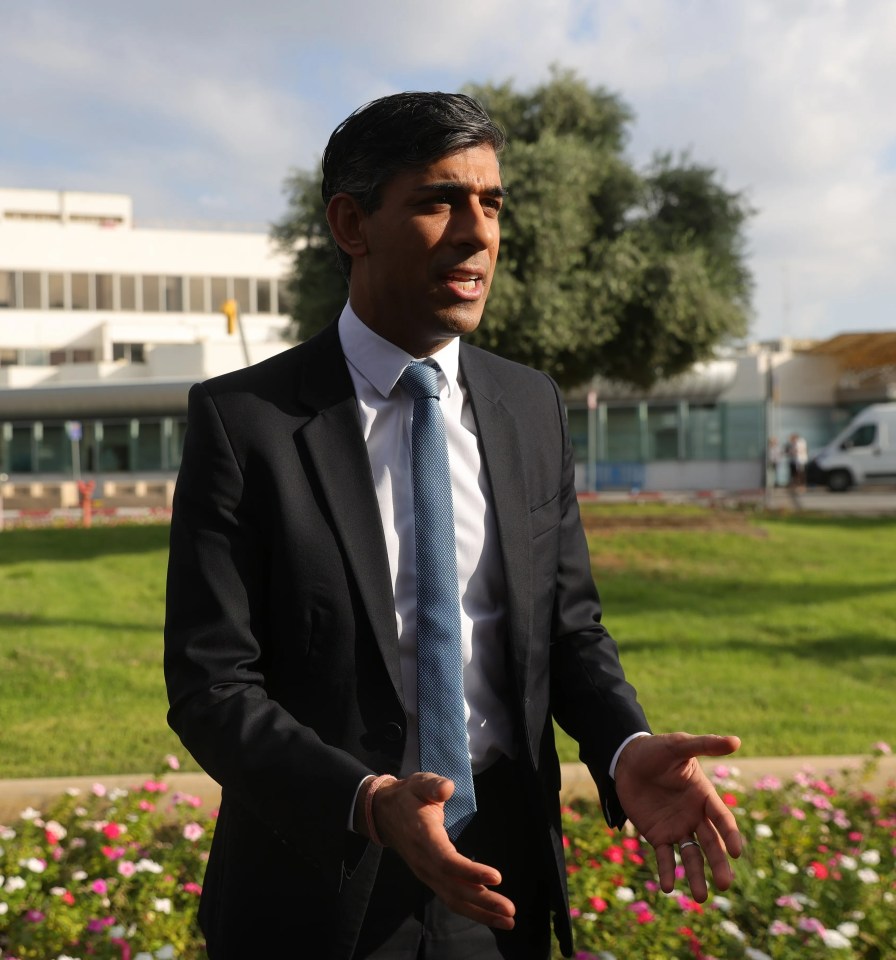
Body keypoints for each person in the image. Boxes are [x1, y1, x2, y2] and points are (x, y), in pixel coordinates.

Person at [164, 92, 742, 960]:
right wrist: (367, 800)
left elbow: (569, 630)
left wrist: (622, 746)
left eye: (492, 203)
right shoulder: (245, 423)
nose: (479, 234)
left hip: (501, 889)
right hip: (317, 892)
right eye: (439, 201)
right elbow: (213, 686)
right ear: (351, 224)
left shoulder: (530, 406)